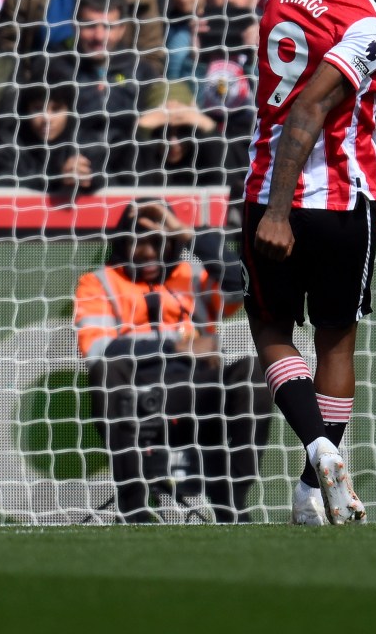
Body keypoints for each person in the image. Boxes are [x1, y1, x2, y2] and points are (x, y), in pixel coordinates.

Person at [74, 200, 265, 522]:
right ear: (122, 243)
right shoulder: (98, 282)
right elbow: (98, 350)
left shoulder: (193, 276)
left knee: (252, 372)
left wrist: (187, 233)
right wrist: (175, 345)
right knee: (107, 371)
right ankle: (134, 507)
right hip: (135, 395)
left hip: (198, 391)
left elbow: (239, 283)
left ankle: (231, 498)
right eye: (138, 242)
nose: (148, 252)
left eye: (158, 241)